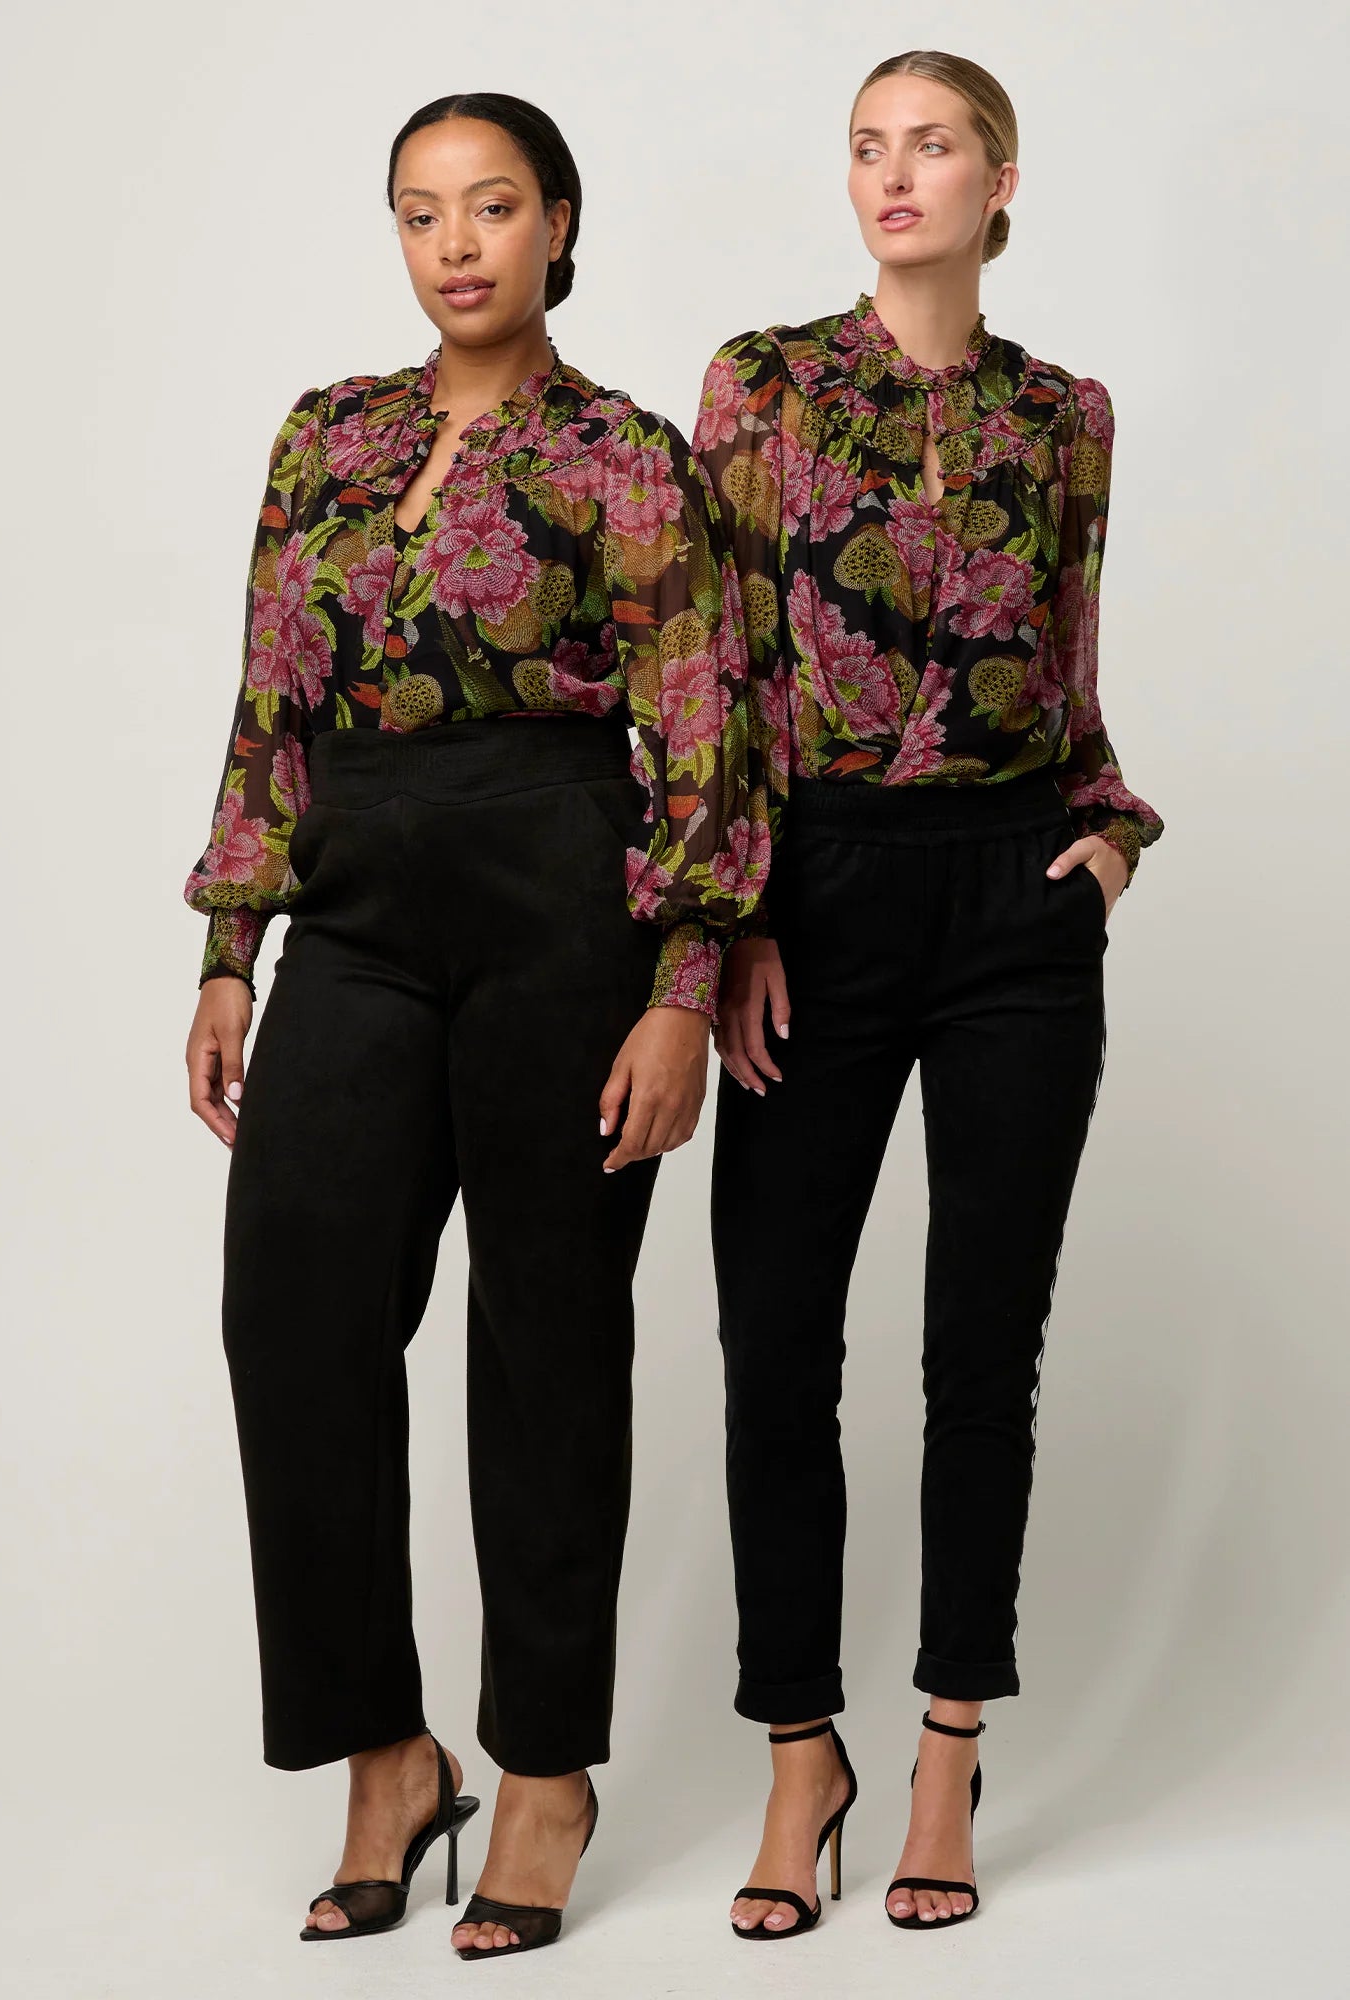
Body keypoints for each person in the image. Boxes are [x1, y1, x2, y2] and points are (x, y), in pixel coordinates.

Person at [182, 90, 767, 1961]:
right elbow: (270, 698)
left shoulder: (625, 455)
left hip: (562, 909)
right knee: (294, 1311)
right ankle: (387, 1751)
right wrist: (230, 951)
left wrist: (683, 985)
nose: (456, 243)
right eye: (422, 210)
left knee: (546, 1344)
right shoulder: (326, 435)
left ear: (557, 225)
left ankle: (545, 1773)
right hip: (355, 909)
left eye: (493, 206)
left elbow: (702, 719)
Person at [692, 49, 1163, 1940]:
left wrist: (1108, 833)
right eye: (869, 148)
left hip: (1015, 903)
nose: (896, 176)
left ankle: (951, 1746)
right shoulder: (765, 384)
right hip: (816, 892)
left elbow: (1073, 662)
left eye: (935, 145)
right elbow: (716, 673)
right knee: (774, 1334)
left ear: (1001, 181)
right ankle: (799, 1748)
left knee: (984, 1344)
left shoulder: (1067, 414)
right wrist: (731, 921)